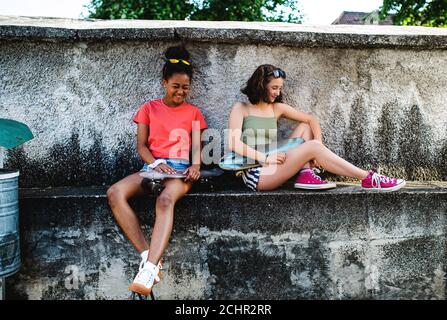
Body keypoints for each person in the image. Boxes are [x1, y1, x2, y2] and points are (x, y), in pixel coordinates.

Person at [107, 45, 207, 297]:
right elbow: (141, 146)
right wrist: (154, 164)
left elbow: (196, 150)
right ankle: (149, 258)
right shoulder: (149, 109)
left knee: (164, 201)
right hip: (152, 168)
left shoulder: (194, 112)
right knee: (115, 192)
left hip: (181, 171)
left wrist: (195, 166)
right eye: (175, 86)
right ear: (164, 82)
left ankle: (149, 269)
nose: (180, 92)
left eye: (185, 87)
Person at [227, 64, 406, 192]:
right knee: (312, 146)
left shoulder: (277, 108)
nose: (278, 93)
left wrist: (317, 149)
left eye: (280, 88)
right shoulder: (241, 108)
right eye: (274, 88)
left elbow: (311, 120)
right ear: (260, 85)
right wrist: (266, 158)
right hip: (257, 172)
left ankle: (306, 173)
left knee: (305, 127)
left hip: (277, 162)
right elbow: (233, 144)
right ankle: (369, 178)